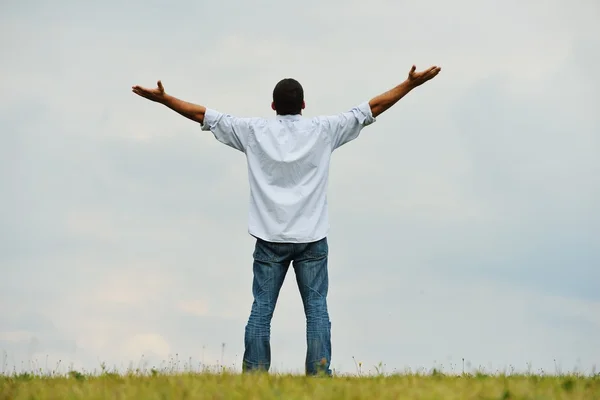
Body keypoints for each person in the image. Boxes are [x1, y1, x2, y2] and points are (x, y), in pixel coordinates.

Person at [132, 64, 441, 376]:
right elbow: (372, 108)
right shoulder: (323, 130)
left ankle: (254, 377)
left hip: (269, 240)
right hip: (312, 239)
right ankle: (319, 376)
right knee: (317, 309)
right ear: (303, 105)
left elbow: (204, 115)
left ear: (273, 106)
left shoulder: (253, 131)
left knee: (262, 310)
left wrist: (165, 99)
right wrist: (409, 85)